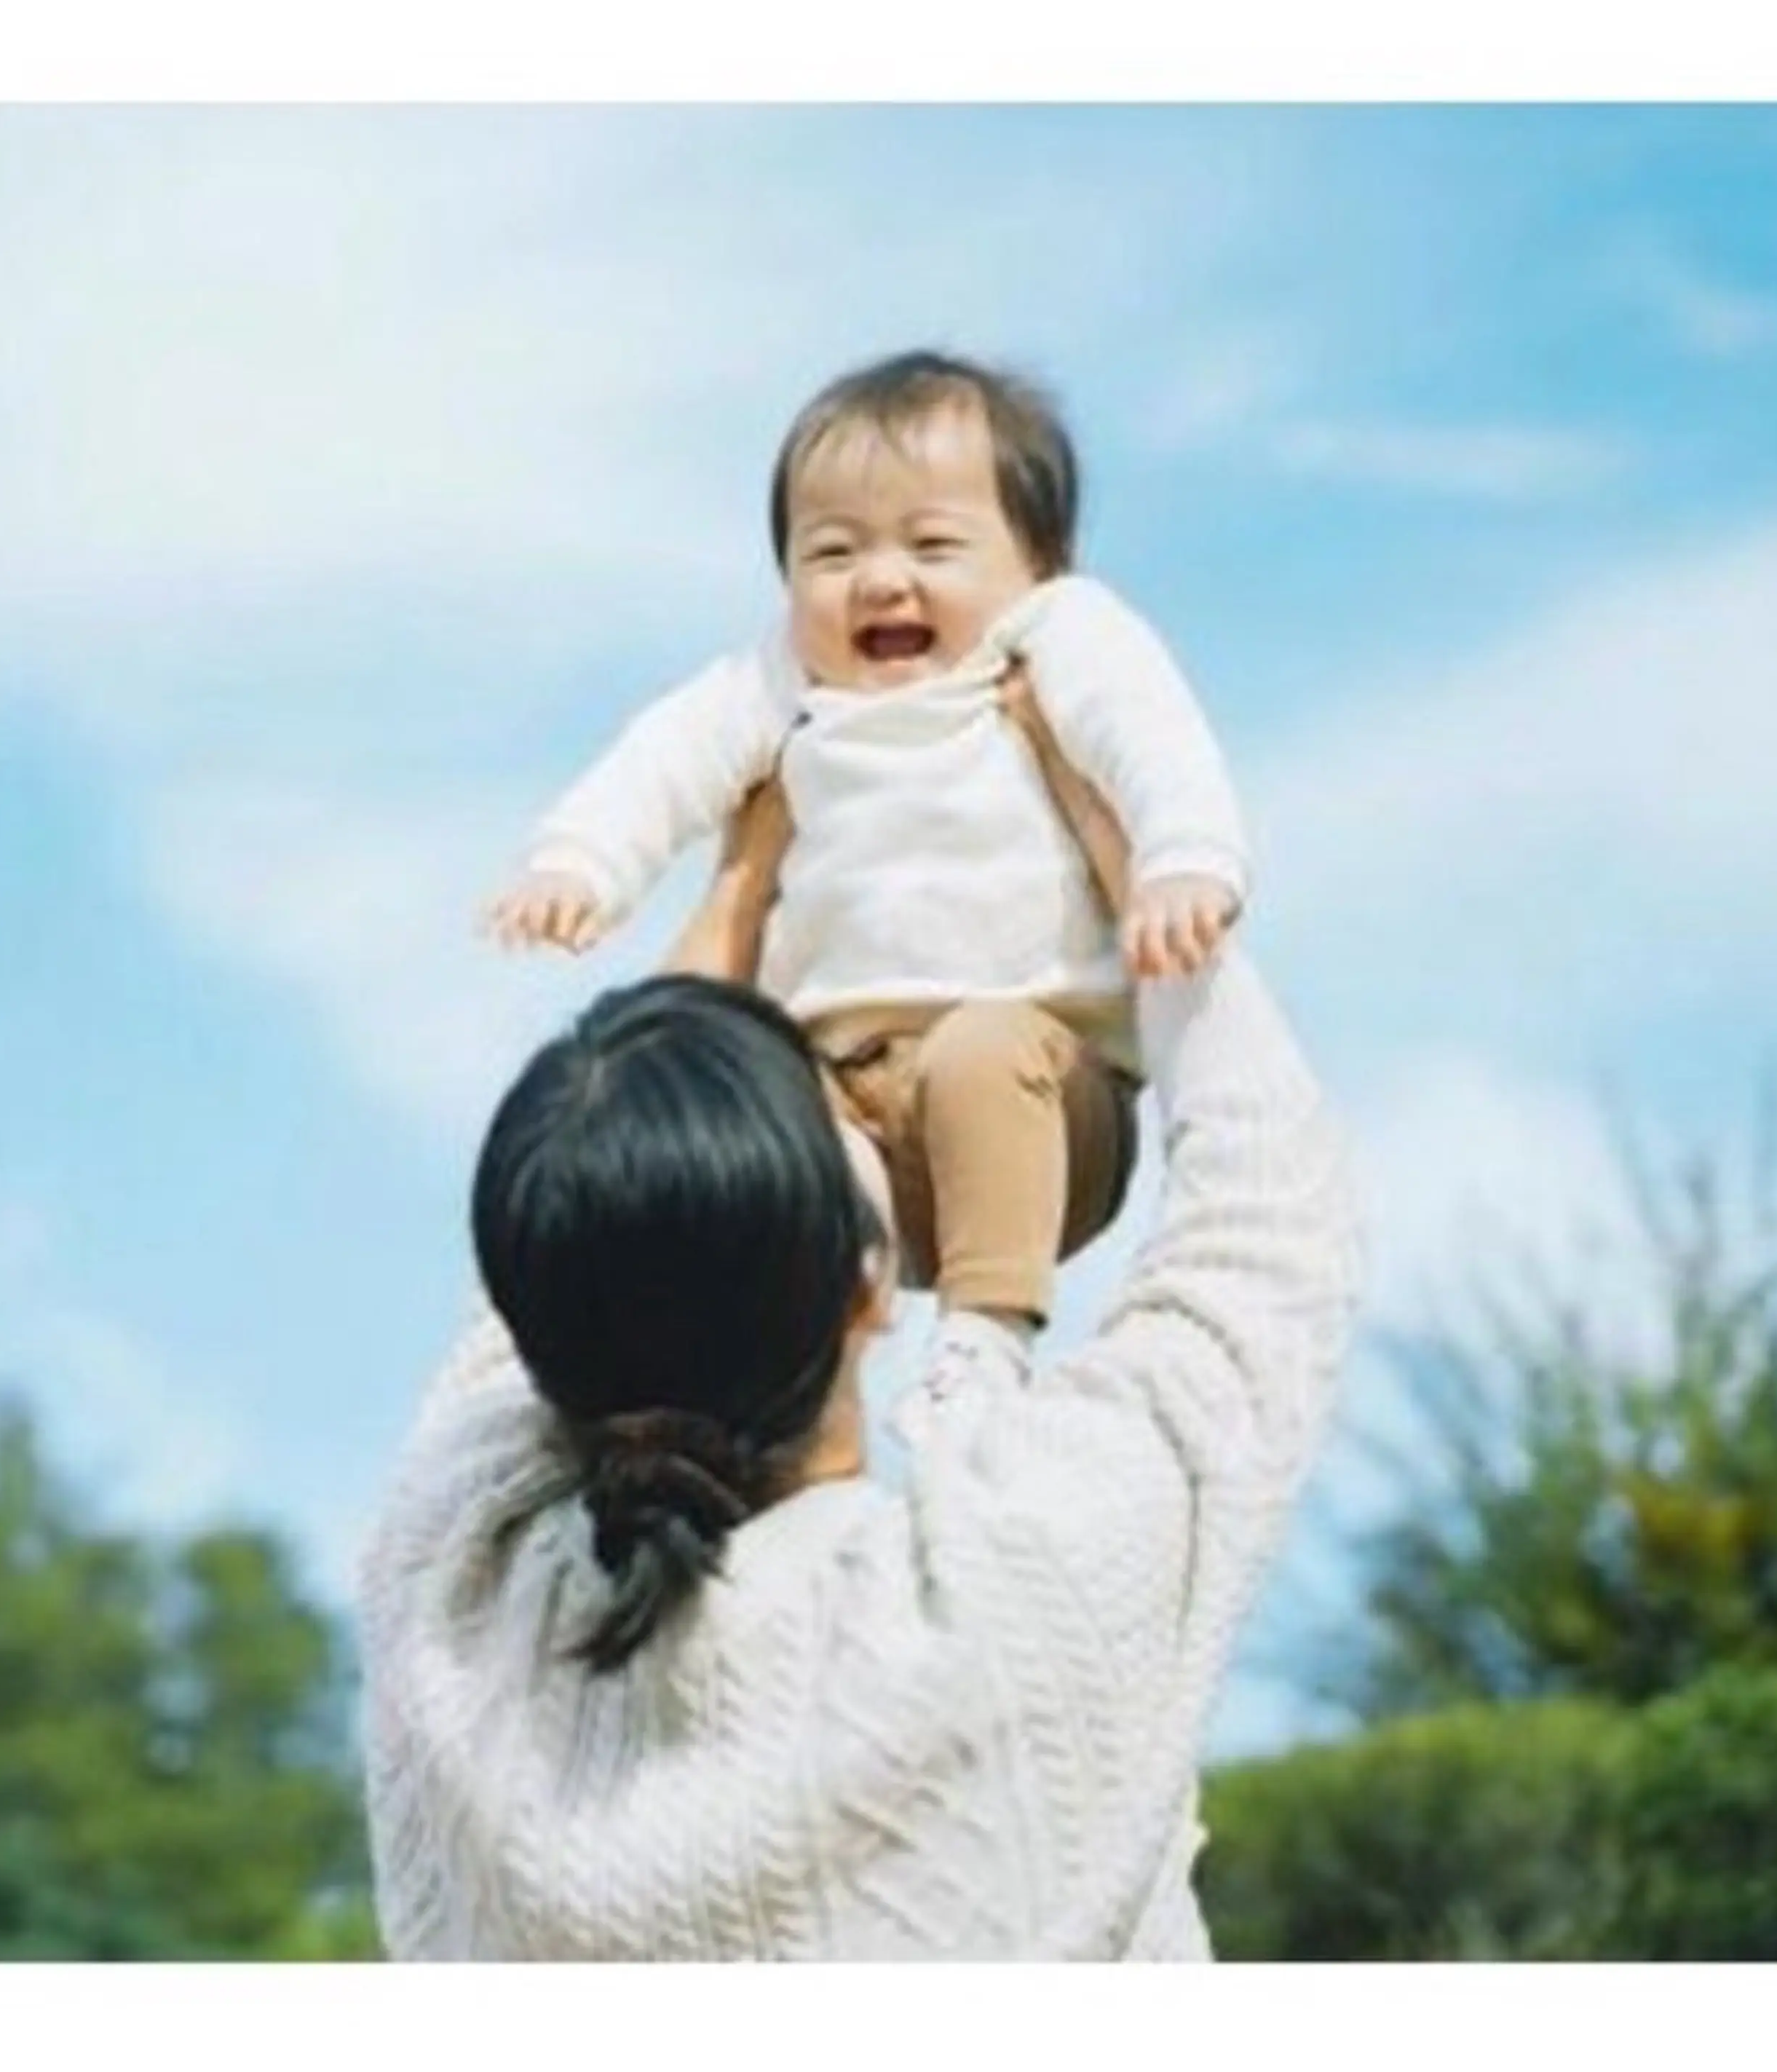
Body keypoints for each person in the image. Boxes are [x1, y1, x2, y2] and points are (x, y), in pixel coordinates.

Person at [356, 905, 1362, 1958]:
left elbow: (574, 1227)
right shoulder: (1016, 1576)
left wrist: (743, 887)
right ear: (867, 1288)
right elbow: (1271, 1224)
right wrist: (1151, 875)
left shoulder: (447, 1622)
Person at [483, 350, 1252, 1401]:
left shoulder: (1055, 641)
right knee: (761, 1120)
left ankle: (984, 1343)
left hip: (1040, 1095)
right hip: (848, 1094)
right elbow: (665, 757)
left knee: (984, 1051)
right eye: (832, 551)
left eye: (934, 544)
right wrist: (579, 861)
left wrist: (1182, 863)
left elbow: (1150, 735)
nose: (882, 579)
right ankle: (801, 1357)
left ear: (1040, 563)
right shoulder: (788, 680)